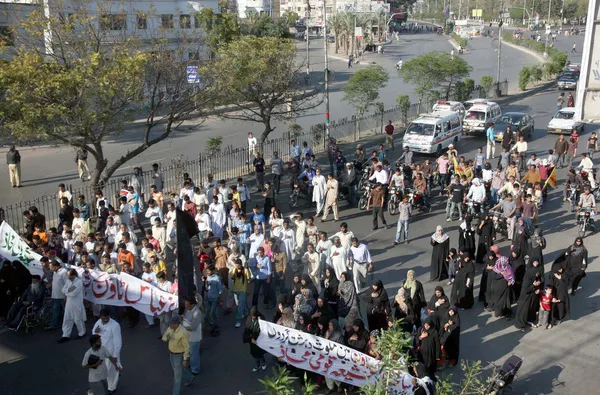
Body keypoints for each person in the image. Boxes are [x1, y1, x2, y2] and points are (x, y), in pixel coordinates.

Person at [91, 309, 122, 393]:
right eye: (104, 318)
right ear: (100, 317)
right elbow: (93, 333)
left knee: (111, 371)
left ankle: (112, 388)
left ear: (110, 316)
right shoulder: (98, 323)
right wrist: (95, 332)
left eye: (107, 318)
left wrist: (115, 355)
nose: (105, 320)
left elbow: (118, 341)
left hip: (111, 352)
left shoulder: (115, 325)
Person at [162, 315, 194, 394]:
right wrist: (166, 337)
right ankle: (190, 377)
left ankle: (175, 393)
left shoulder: (183, 333)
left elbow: (187, 347)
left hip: (178, 355)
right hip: (171, 353)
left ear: (176, 324)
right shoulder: (170, 328)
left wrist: (185, 359)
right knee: (178, 370)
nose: (170, 325)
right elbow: (164, 338)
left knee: (177, 376)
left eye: (171, 324)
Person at [514, 259, 544, 331]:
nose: (537, 274)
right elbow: (525, 290)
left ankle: (529, 320)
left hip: (533, 297)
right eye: (536, 273)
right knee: (524, 311)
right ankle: (520, 325)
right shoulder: (527, 279)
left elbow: (539, 283)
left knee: (531, 309)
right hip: (525, 298)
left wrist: (538, 289)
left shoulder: (536, 277)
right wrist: (533, 286)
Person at [58, 269, 86, 343]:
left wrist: (67, 292)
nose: (67, 277)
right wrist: (69, 290)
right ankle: (65, 335)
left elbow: (74, 293)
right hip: (69, 303)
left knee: (78, 319)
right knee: (67, 319)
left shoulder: (79, 282)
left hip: (76, 303)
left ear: (73, 275)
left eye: (69, 275)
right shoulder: (68, 281)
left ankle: (82, 333)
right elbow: (63, 290)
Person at [182, 297, 202, 375]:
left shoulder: (197, 313)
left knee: (194, 354)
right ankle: (192, 365)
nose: (185, 306)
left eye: (187, 305)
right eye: (185, 304)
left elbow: (193, 327)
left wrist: (183, 328)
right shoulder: (188, 310)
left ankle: (195, 369)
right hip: (188, 336)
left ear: (192, 304)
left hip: (194, 338)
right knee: (189, 352)